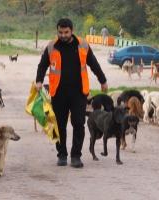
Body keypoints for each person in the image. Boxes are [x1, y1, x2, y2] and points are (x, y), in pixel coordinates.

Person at [35, 18, 108, 168]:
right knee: (59, 125)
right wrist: (39, 81)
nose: (63, 35)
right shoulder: (51, 46)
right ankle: (61, 155)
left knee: (78, 124)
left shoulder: (82, 45)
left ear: (72, 31)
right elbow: (42, 65)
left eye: (66, 32)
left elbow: (93, 64)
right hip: (58, 93)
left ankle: (76, 156)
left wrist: (103, 80)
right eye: (60, 32)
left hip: (78, 93)